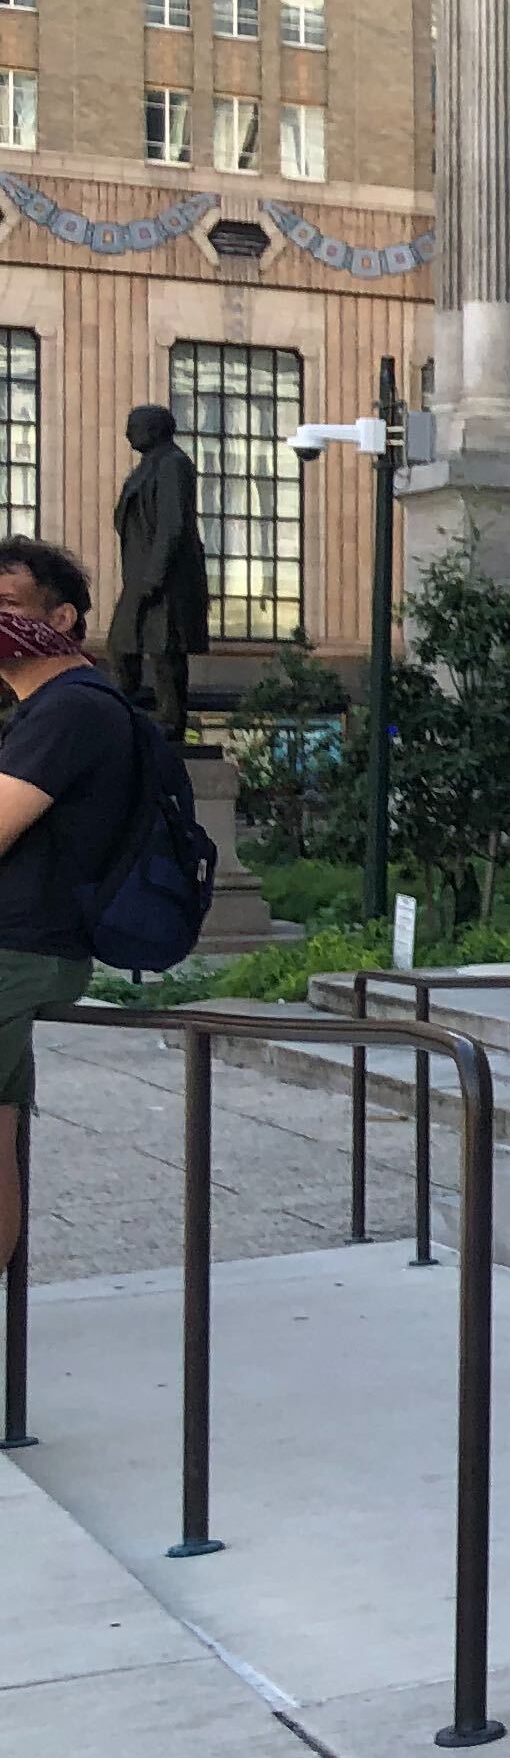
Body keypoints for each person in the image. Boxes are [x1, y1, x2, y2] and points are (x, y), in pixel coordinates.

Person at [0, 539, 140, 1272]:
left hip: (18, 952)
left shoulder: (69, 711)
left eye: (7, 609)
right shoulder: (50, 711)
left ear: (63, 618)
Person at [111, 404, 206, 737]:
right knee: (122, 646)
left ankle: (170, 720)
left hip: (164, 578)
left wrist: (154, 576)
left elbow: (172, 525)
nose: (127, 434)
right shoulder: (147, 467)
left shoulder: (173, 465)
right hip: (141, 574)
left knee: (166, 650)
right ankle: (124, 716)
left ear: (155, 430)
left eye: (133, 426)